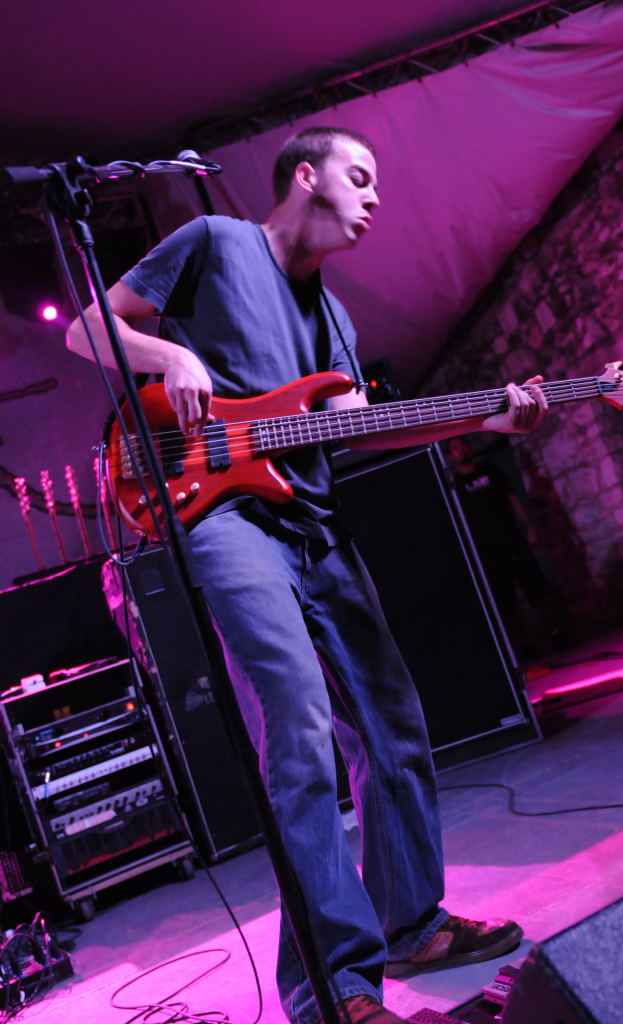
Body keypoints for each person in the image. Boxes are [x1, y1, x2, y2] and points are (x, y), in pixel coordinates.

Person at [67, 127, 548, 1024]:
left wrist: (483, 419)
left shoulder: (335, 321)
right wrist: (171, 355)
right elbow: (91, 327)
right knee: (297, 725)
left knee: (392, 725)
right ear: (304, 176)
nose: (374, 199)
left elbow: (360, 426)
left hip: (316, 528)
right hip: (226, 520)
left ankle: (411, 924)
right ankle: (333, 989)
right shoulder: (215, 243)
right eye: (359, 177)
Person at [445, 436, 567, 657]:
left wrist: (529, 527)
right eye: (455, 448)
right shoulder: (456, 485)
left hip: (512, 538)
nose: (461, 450)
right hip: (486, 549)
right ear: (450, 456)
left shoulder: (489, 470)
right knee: (505, 597)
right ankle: (525, 644)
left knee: (535, 585)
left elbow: (512, 498)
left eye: (463, 444)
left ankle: (557, 632)